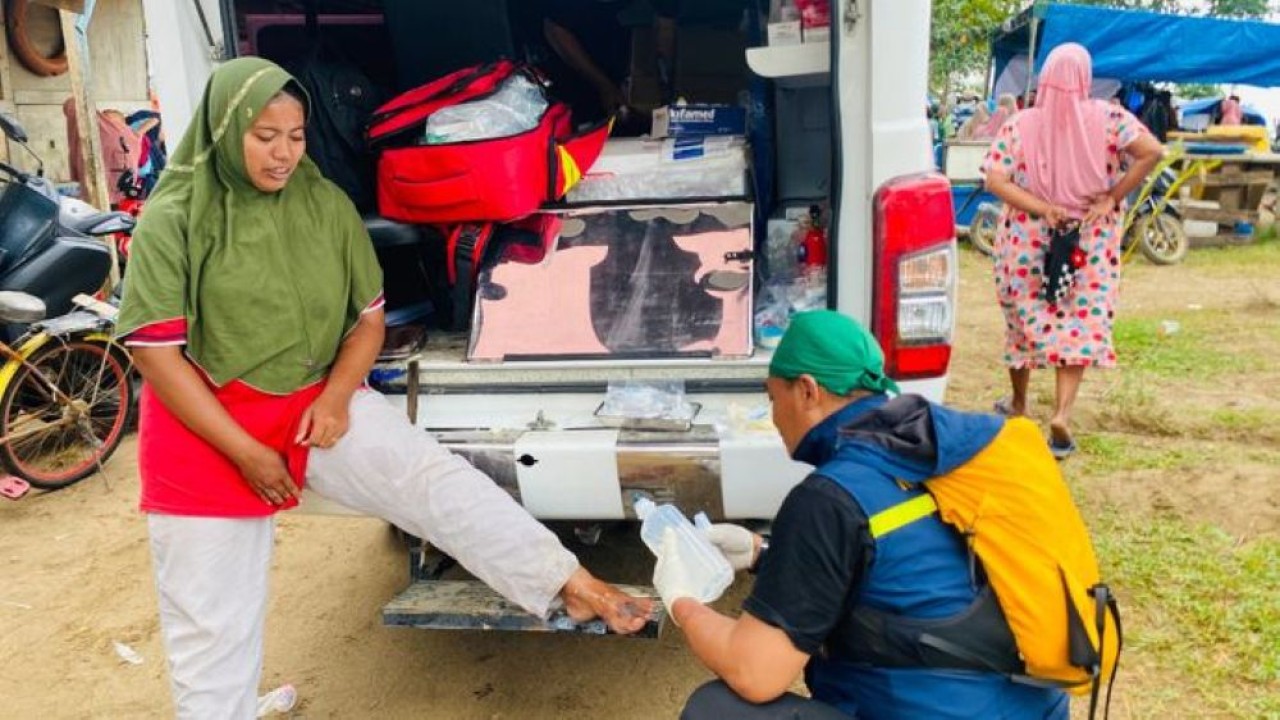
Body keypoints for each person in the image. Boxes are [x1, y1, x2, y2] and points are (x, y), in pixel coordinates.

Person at [117, 57, 652, 718]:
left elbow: (368, 321)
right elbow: (155, 355)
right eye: (264, 136)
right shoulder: (175, 216)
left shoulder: (321, 203)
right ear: (225, 130)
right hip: (204, 428)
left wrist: (338, 397)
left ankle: (566, 581)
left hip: (313, 404)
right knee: (213, 630)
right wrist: (247, 453)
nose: (284, 154)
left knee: (434, 480)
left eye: (296, 135)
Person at [655, 310, 1069, 719]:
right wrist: (762, 552)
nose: (773, 416)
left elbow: (755, 671)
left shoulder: (830, 497)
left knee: (719, 711)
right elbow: (902, 559)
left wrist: (681, 600)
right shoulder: (940, 450)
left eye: (771, 397)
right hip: (1030, 706)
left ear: (807, 391)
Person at [979, 43, 1162, 458]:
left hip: (1028, 238)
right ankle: (1061, 413)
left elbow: (994, 179)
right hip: (1089, 237)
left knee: (1022, 320)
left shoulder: (1020, 124)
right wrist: (1112, 197)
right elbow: (1152, 151)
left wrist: (1044, 207)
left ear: (1043, 80)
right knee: (1078, 323)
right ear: (1085, 78)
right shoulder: (1111, 118)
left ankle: (1020, 403)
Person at [538, 0, 677, 123]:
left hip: (619, 35)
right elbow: (555, 31)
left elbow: (666, 23)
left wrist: (668, 80)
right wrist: (604, 86)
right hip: (571, 52)